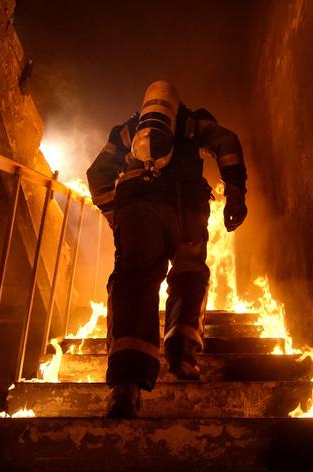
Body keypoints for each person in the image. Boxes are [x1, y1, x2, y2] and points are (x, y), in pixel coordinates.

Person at [86, 80, 248, 418]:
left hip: (137, 212)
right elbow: (227, 142)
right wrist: (235, 191)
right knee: (189, 274)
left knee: (134, 284)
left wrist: (114, 214)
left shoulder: (128, 130)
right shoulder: (193, 123)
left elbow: (98, 172)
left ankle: (125, 388)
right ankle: (182, 352)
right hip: (185, 209)